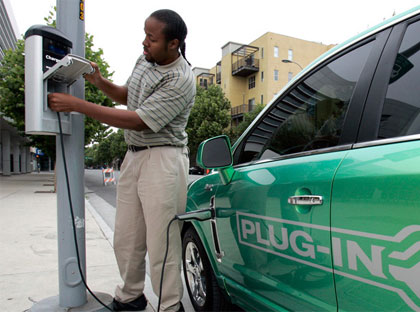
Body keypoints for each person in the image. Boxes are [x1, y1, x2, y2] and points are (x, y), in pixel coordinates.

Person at [48, 9, 195, 312]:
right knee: (126, 238)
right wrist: (99, 81)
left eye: (152, 39)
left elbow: (139, 120)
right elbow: (129, 96)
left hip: (164, 159)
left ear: (174, 44)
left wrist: (78, 105)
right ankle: (130, 297)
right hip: (133, 157)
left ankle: (170, 307)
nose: (144, 43)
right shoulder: (145, 59)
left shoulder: (182, 79)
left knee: (161, 243)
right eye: (144, 34)